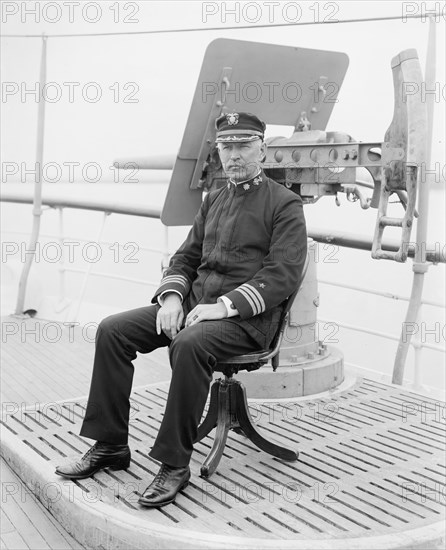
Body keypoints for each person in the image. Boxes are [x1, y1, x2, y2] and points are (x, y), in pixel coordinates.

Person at [55, 112, 307, 508]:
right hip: (194, 309)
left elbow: (283, 275)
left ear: (264, 147)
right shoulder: (215, 200)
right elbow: (185, 258)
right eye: (227, 146)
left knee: (189, 343)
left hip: (248, 321)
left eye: (243, 146)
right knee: (112, 330)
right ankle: (111, 445)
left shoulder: (285, 204)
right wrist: (172, 298)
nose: (234, 156)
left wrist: (221, 308)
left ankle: (174, 465)